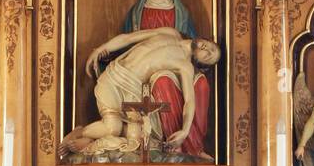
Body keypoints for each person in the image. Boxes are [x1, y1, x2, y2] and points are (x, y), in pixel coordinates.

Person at [60, 27, 220, 158]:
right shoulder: (171, 33)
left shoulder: (185, 66)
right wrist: (102, 49)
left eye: (209, 56)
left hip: (132, 91)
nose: (208, 49)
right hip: (113, 75)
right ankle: (83, 136)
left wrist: (185, 131)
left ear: (201, 63)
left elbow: (190, 101)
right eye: (211, 46)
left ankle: (82, 134)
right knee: (116, 130)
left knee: (114, 129)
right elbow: (129, 38)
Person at [116, 0, 212, 155]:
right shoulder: (137, 12)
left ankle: (194, 146)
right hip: (152, 68)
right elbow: (130, 41)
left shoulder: (181, 12)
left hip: (181, 63)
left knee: (201, 83)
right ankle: (172, 146)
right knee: (163, 80)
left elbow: (192, 44)